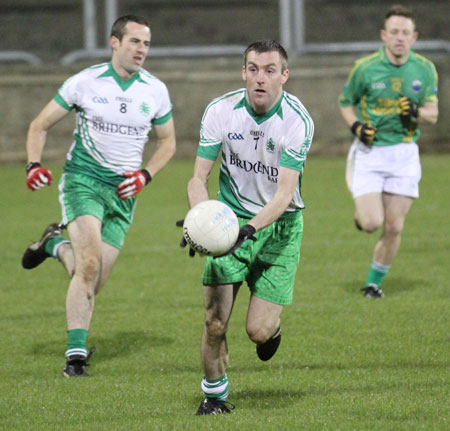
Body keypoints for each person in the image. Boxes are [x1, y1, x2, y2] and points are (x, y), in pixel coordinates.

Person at [22, 15, 176, 376]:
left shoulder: (155, 90)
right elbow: (39, 125)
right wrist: (33, 164)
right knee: (88, 267)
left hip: (124, 194)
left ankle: (53, 246)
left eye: (147, 44)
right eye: (135, 42)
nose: (141, 50)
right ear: (114, 42)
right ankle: (75, 357)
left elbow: (169, 141)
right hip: (83, 182)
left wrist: (145, 175)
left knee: (91, 277)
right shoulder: (86, 82)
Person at [181, 40, 314, 415]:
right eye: (253, 69)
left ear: (284, 76)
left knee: (257, 330)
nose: (260, 78)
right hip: (229, 220)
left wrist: (249, 230)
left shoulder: (297, 121)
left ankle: (270, 329)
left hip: (280, 227)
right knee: (214, 321)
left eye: (270, 70)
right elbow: (198, 179)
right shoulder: (220, 111)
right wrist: (201, 221)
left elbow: (284, 195)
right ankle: (215, 396)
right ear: (243, 72)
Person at [338, 5, 438, 298]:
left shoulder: (425, 69)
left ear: (414, 37)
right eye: (394, 32)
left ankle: (373, 284)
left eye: (405, 33)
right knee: (371, 223)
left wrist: (417, 111)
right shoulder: (365, 67)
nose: (399, 38)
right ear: (384, 35)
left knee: (394, 228)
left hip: (404, 153)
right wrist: (356, 126)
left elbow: (433, 113)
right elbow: (346, 101)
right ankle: (363, 216)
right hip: (370, 153)